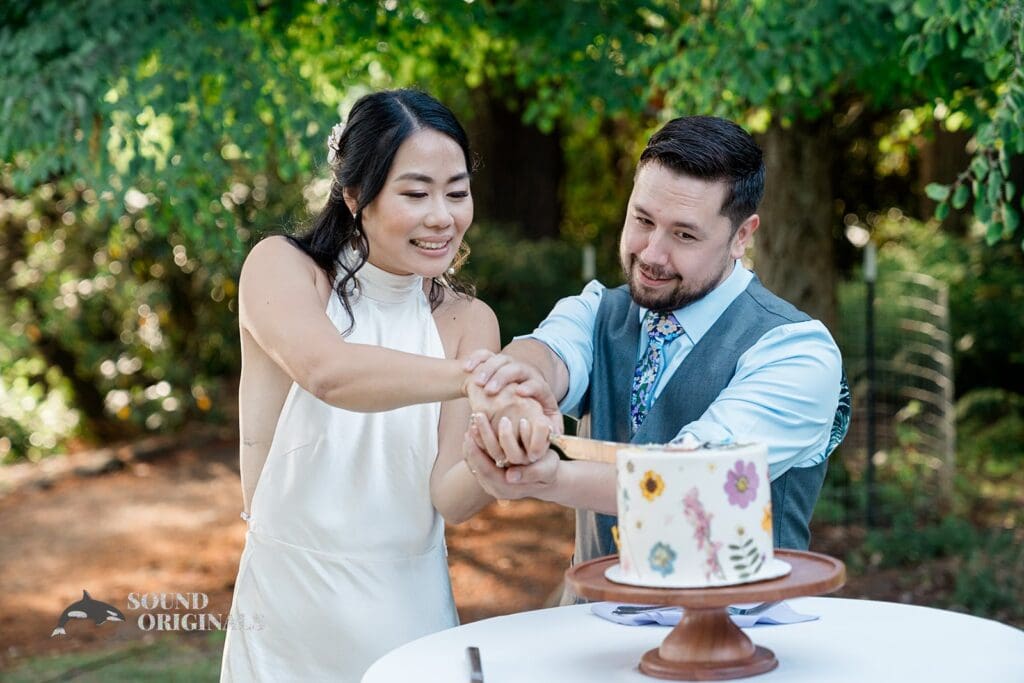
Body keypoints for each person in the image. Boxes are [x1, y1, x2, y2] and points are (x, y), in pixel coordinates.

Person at [220, 89, 554, 682]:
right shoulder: (282, 269)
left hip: (409, 610)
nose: (442, 216)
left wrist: (500, 457)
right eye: (416, 193)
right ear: (355, 196)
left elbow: (448, 499)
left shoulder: (469, 321)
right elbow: (330, 371)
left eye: (457, 192)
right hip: (288, 608)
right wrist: (472, 380)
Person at [462, 115, 850, 594]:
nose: (652, 253)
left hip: (738, 645)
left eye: (684, 235)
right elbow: (543, 354)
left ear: (742, 236)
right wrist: (516, 402)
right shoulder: (595, 310)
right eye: (642, 220)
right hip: (593, 629)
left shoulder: (796, 351)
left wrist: (546, 478)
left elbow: (696, 478)